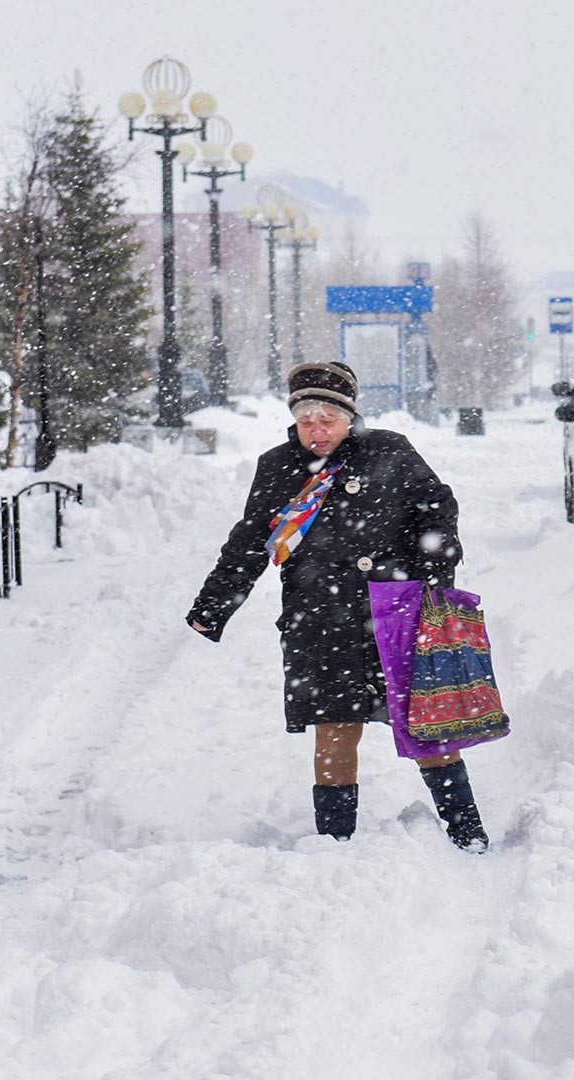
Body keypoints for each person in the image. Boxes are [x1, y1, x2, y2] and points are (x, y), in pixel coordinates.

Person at [186, 361, 489, 850]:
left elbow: (436, 508)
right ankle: (335, 843)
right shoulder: (278, 466)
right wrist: (214, 605)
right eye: (306, 420)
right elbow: (250, 541)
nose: (317, 430)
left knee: (427, 724)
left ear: (350, 416)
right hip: (321, 619)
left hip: (396, 613)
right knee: (334, 726)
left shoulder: (389, 451)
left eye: (328, 419)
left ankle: (468, 833)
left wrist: (433, 576)